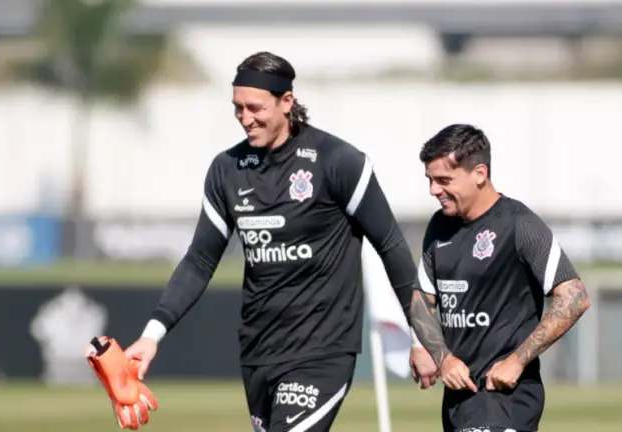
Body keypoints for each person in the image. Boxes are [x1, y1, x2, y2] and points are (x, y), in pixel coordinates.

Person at [123, 51, 436, 432]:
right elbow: (200, 261)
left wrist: (424, 337)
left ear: (286, 102)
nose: (244, 118)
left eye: (255, 108)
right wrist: (150, 336)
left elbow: (391, 246)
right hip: (258, 351)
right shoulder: (227, 169)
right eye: (237, 108)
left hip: (323, 351)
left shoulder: (338, 162)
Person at [409, 124, 591, 432]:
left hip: (507, 397)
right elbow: (421, 302)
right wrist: (443, 358)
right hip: (459, 402)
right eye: (429, 180)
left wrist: (517, 360)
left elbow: (575, 297)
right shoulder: (439, 227)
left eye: (443, 180)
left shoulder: (520, 226)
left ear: (480, 174)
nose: (433, 190)